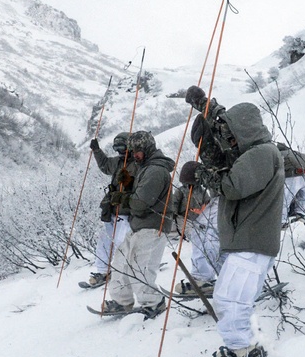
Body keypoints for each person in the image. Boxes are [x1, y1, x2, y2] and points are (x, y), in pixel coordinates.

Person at [191, 102, 284, 357]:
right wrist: (207, 118)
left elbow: (231, 186)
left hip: (252, 240)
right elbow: (229, 171)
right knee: (231, 297)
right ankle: (244, 347)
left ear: (244, 130)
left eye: (232, 135)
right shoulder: (253, 154)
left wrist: (199, 173)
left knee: (230, 298)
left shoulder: (261, 153)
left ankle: (240, 350)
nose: (228, 141)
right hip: (248, 240)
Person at [103, 130, 175, 317]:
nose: (134, 155)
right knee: (121, 262)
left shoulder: (155, 171)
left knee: (140, 267)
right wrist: (126, 183)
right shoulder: (144, 167)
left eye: (138, 151)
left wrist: (123, 198)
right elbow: (136, 189)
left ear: (148, 148)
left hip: (153, 225)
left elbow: (141, 202)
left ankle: (153, 303)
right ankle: (122, 300)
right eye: (132, 151)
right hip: (139, 224)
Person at [85, 132, 137, 288]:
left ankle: (130, 268)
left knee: (122, 241)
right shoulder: (117, 162)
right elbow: (105, 165)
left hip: (127, 209)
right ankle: (103, 271)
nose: (120, 151)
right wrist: (96, 151)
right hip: (112, 208)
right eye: (117, 148)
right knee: (104, 240)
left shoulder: (138, 164)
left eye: (122, 147)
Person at [170, 161, 221, 297]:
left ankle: (206, 278)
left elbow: (208, 202)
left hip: (200, 219)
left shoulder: (202, 191)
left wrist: (203, 209)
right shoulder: (181, 191)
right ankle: (202, 277)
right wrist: (174, 214)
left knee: (207, 244)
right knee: (199, 243)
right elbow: (174, 203)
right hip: (186, 219)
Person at [277, 142, 305, 226]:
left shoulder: (279, 154)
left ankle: (282, 221)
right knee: (303, 197)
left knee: (285, 199)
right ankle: (300, 214)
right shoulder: (296, 153)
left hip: (294, 174)